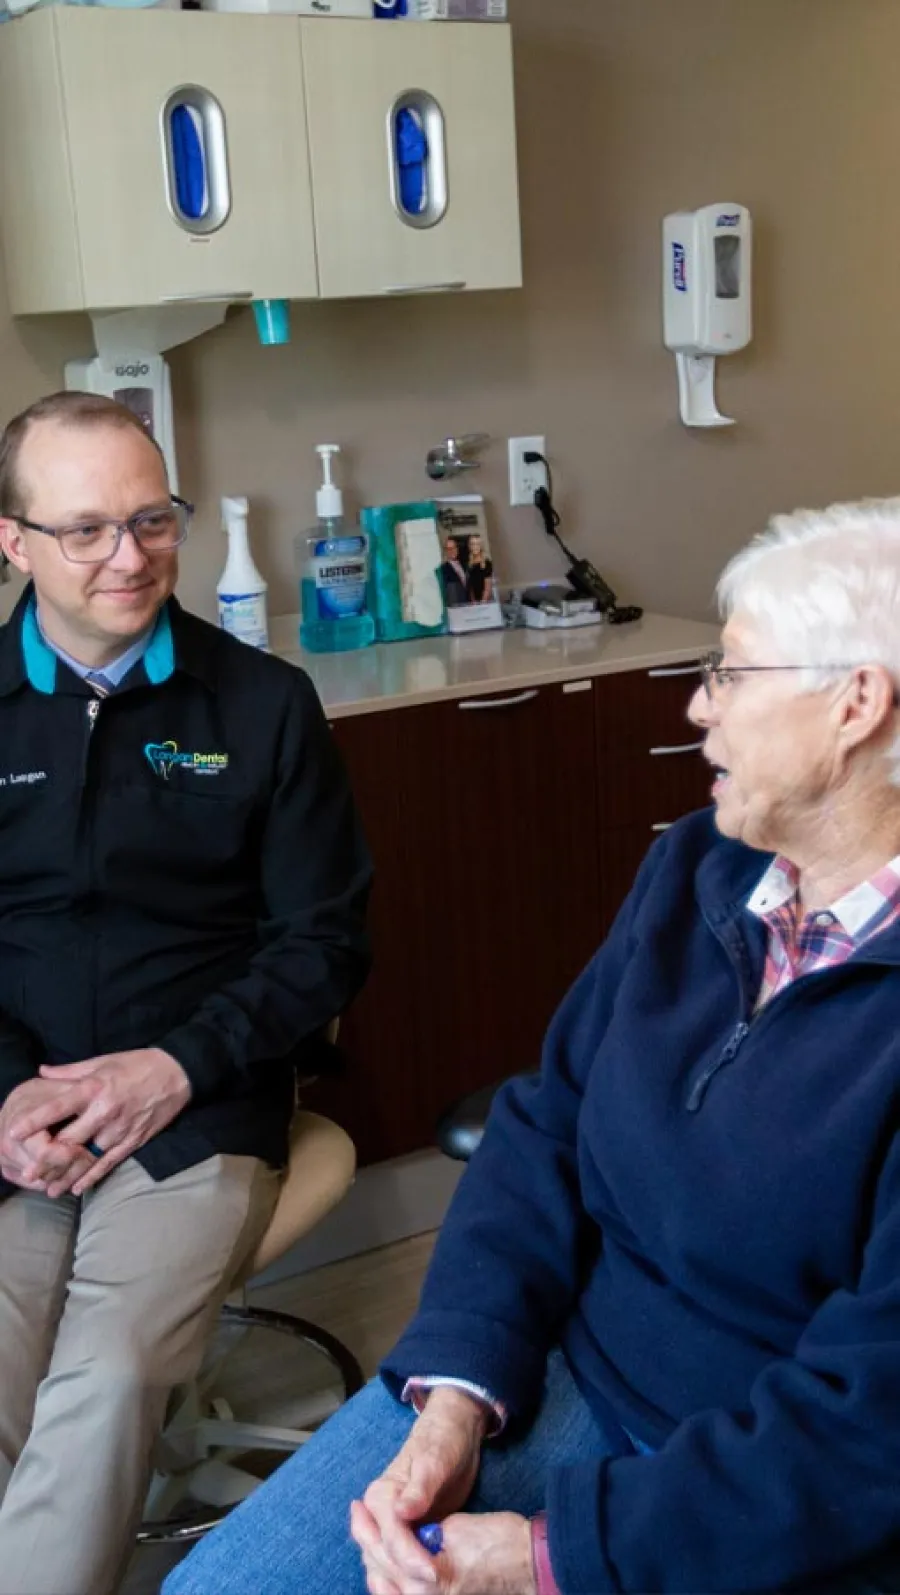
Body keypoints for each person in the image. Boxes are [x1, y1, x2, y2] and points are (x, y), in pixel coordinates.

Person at [165, 497, 900, 1595]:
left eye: (731, 673)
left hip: (759, 1486)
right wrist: (457, 1385)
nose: (700, 706)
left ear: (856, 701)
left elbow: (870, 1421)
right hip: (556, 1369)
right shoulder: (698, 868)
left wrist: (551, 1554)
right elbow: (548, 1122)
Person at [0, 392, 371, 1595]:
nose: (130, 555)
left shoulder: (261, 706)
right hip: (19, 1114)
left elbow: (325, 943)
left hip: (198, 1106)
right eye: (88, 529)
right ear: (14, 541)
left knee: (105, 1376)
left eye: (154, 520)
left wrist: (173, 1066)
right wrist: (12, 1091)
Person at [439, 534, 468, 609]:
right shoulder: (443, 569)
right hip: (456, 608)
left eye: (453, 548)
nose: (451, 551)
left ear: (457, 549)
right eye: (448, 549)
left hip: (470, 606)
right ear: (445, 551)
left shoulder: (465, 565)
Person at [465, 533, 493, 604]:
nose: (475, 547)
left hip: (485, 602)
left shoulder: (487, 563)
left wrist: (482, 604)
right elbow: (470, 587)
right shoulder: (468, 564)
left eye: (478, 544)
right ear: (469, 546)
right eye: (473, 544)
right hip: (473, 603)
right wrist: (473, 603)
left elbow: (487, 588)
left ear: (481, 546)